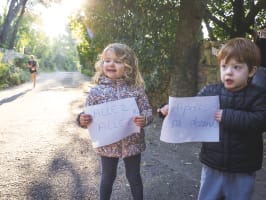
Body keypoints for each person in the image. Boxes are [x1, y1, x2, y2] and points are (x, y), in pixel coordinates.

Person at [158, 38, 266, 200]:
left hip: (242, 168)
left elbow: (261, 120)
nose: (228, 72)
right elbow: (192, 108)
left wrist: (228, 116)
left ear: (251, 71)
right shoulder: (211, 91)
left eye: (236, 67)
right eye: (224, 66)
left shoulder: (258, 95)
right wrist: (169, 110)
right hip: (212, 165)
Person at [77, 43, 153, 200]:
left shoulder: (136, 89)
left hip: (133, 143)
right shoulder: (96, 91)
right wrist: (81, 119)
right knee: (107, 177)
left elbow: (147, 111)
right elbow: (87, 114)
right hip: (107, 144)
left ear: (127, 66)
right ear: (102, 64)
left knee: (134, 177)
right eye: (107, 60)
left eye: (118, 61)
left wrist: (144, 119)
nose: (111, 64)